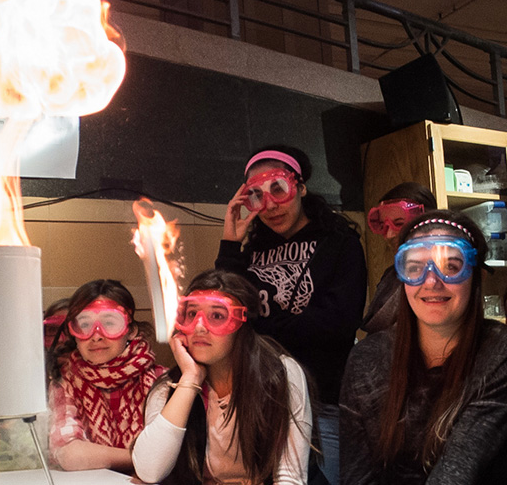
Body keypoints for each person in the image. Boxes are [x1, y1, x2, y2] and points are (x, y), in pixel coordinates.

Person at [338, 210, 507, 485]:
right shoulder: (366, 358)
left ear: (476, 276)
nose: (431, 281)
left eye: (451, 267)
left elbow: (458, 470)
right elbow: (355, 477)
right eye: (415, 268)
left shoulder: (503, 350)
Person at [217, 144, 366, 483]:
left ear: (299, 187)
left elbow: (338, 326)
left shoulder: (339, 244)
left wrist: (260, 327)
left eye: (278, 189)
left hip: (323, 399)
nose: (269, 205)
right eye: (256, 195)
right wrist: (230, 244)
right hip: (263, 399)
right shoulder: (253, 249)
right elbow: (225, 311)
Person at [132, 270, 313, 485]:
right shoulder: (169, 386)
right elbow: (149, 471)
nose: (199, 326)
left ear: (241, 325)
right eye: (191, 314)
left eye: (217, 316)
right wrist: (190, 380)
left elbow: (290, 478)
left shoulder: (281, 375)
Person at [48, 280, 168, 473]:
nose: (96, 336)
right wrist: (141, 459)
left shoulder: (161, 380)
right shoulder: (66, 381)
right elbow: (68, 454)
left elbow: (168, 455)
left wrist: (97, 456)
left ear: (130, 330)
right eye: (85, 324)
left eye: (110, 323)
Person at [361, 182, 435, 333]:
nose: (388, 235)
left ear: (425, 221)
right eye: (384, 226)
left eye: (399, 223)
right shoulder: (391, 274)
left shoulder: (437, 275)